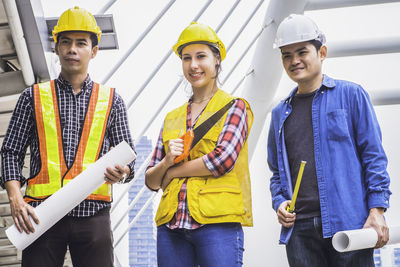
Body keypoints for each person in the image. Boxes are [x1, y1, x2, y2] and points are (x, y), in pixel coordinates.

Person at [0, 7, 135, 267]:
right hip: (41, 215)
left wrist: (124, 171)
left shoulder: (112, 101)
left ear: (93, 51)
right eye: (65, 42)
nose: (72, 49)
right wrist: (16, 199)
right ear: (56, 47)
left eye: (81, 43)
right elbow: (10, 153)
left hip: (94, 215)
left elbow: (130, 160)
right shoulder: (33, 97)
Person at [267, 14, 391, 266]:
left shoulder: (352, 95)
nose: (294, 61)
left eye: (302, 52)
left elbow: (373, 157)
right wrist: (280, 202)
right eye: (286, 55)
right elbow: (277, 174)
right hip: (300, 231)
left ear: (321, 52)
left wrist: (377, 211)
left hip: (349, 224)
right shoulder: (280, 114)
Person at [145, 22, 254, 267]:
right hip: (171, 226)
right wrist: (166, 162)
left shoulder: (235, 107)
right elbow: (151, 181)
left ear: (217, 59)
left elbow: (221, 160)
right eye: (186, 58)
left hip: (217, 225)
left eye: (201, 56)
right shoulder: (172, 117)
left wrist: (172, 171)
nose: (193, 65)